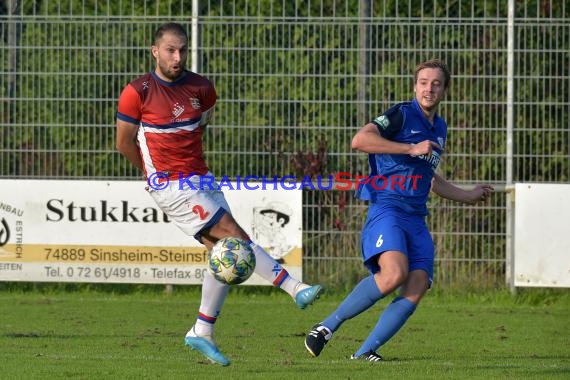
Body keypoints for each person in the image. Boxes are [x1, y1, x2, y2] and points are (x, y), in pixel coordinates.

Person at [115, 22, 322, 366]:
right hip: (169, 184)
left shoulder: (201, 87)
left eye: (182, 49)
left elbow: (202, 124)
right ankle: (293, 288)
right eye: (170, 50)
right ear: (155, 52)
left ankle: (201, 330)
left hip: (201, 177)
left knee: (221, 252)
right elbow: (124, 142)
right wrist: (151, 174)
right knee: (234, 236)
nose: (177, 56)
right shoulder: (138, 91)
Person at [304, 59, 493, 361]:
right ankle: (326, 327)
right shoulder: (401, 115)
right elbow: (360, 140)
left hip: (416, 217)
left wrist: (468, 195)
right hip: (388, 208)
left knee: (417, 285)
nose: (428, 88)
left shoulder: (439, 127)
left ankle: (365, 352)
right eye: (423, 82)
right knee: (393, 274)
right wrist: (408, 147)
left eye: (436, 83)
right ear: (414, 86)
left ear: (445, 89)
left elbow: (430, 179)